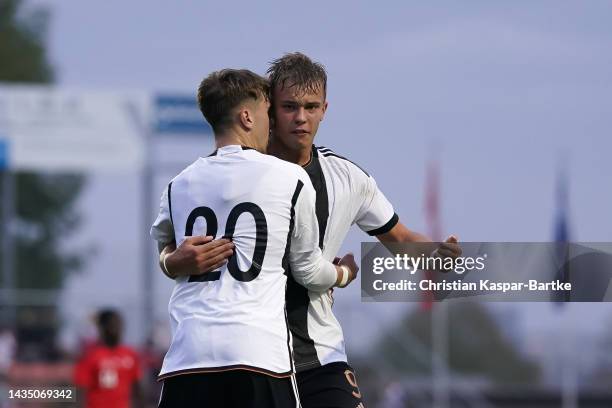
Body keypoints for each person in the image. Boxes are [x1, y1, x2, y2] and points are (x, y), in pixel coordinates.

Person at [161, 54, 461, 407]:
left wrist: (432, 255)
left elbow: (402, 238)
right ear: (269, 109)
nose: (300, 117)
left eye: (310, 106)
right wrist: (173, 261)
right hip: (254, 355)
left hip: (316, 355)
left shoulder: (348, 179)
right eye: (289, 107)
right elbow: (169, 241)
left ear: (325, 109)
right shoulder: (224, 173)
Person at [150, 69, 359, 408]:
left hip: (189, 357)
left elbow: (165, 248)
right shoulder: (291, 178)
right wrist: (344, 273)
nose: (272, 123)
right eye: (267, 112)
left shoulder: (178, 185)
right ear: (247, 116)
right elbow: (307, 270)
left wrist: (171, 261)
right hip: (259, 357)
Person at [73, 309, 143, 408]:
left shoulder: (130, 354)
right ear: (102, 328)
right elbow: (80, 390)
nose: (115, 329)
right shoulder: (90, 356)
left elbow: (138, 389)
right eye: (111, 325)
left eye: (118, 325)